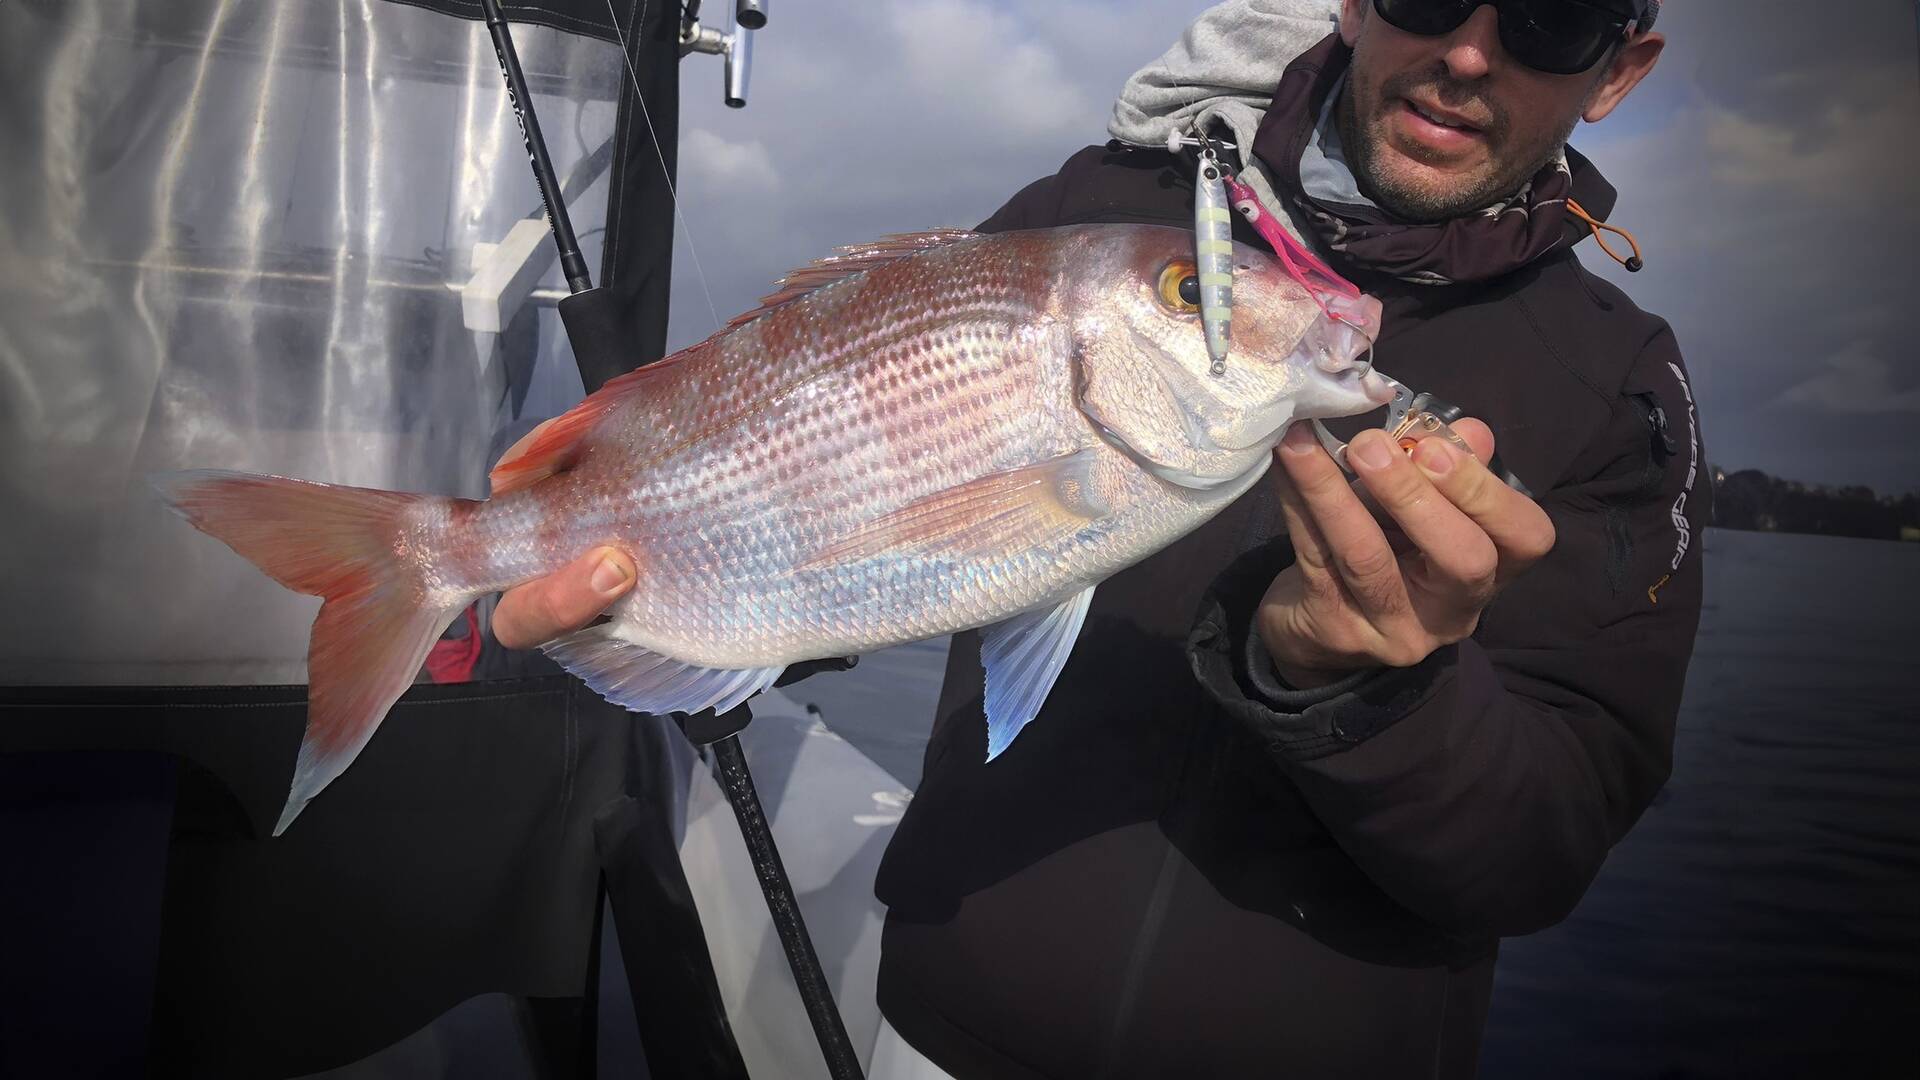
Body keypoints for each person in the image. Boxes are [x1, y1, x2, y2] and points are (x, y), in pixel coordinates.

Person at [495, 0, 1708, 1074]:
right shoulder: (1087, 211)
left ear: (1619, 71)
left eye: (1550, 18)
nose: (1467, 50)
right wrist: (660, 583)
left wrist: (1374, 695)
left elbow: (1547, 847)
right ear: (1351, 1)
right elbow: (869, 504)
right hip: (940, 1025)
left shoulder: (1620, 384)